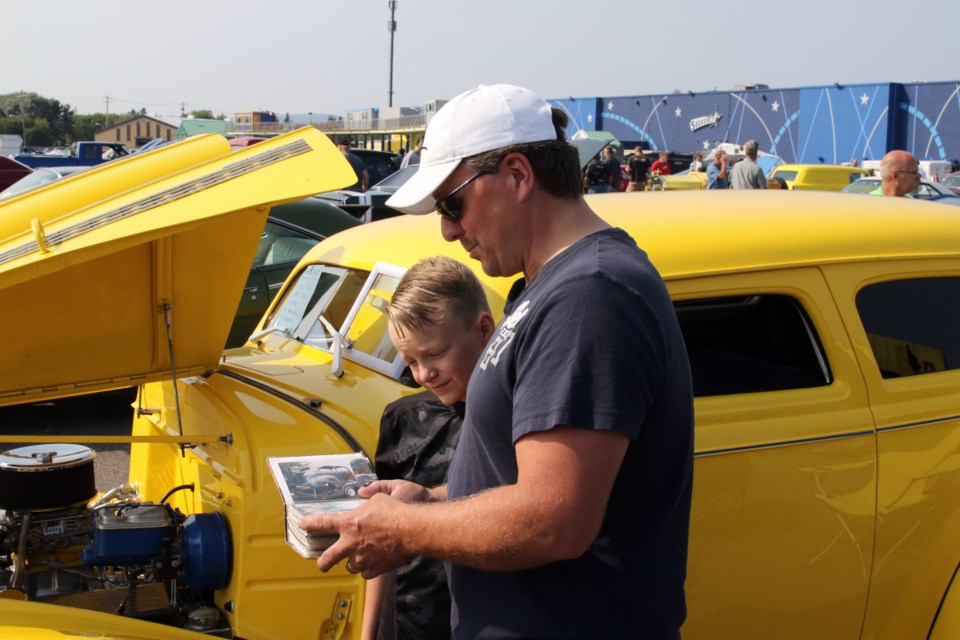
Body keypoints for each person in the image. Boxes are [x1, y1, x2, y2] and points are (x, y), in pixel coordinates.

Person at [302, 83, 694, 640]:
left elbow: (553, 519)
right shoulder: (546, 286)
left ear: (517, 175)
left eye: (451, 203)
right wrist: (433, 499)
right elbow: (523, 479)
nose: (447, 229)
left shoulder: (590, 295)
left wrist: (409, 529)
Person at [364, 255, 495, 640]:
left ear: (484, 329)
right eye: (410, 361)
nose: (424, 374)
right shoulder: (403, 419)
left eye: (435, 354)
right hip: (416, 625)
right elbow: (382, 536)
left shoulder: (521, 418)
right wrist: (370, 633)